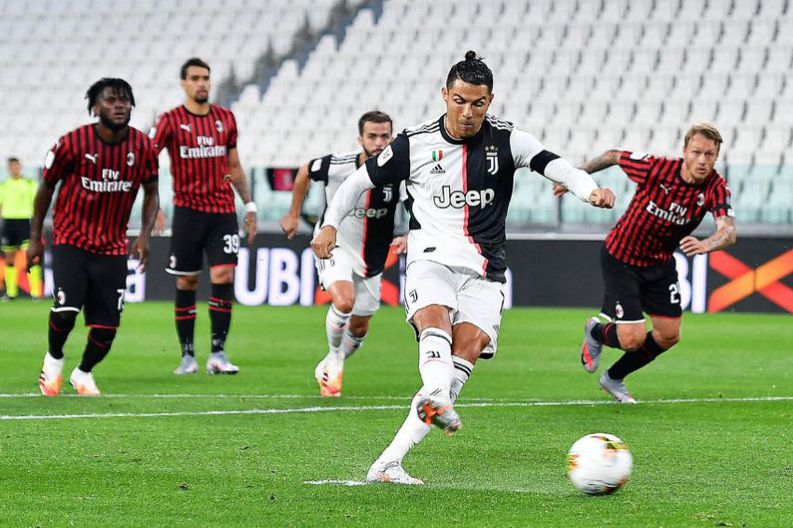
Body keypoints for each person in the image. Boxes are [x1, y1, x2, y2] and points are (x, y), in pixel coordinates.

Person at [311, 51, 615, 484]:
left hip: (486, 270)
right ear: (444, 95)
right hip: (431, 258)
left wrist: (590, 191)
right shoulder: (414, 144)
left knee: (462, 359)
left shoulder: (508, 140)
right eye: (459, 101)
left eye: (477, 103)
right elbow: (358, 182)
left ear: (490, 101)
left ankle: (389, 462)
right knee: (434, 324)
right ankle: (432, 398)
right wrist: (329, 224)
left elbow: (559, 167)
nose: (468, 112)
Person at [559, 123, 736, 404]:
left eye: (710, 155)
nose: (703, 160)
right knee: (632, 339)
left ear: (716, 157)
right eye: (697, 152)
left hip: (660, 265)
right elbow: (614, 155)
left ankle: (613, 377)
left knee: (669, 335)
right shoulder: (657, 168)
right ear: (685, 151)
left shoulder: (715, 186)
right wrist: (576, 177)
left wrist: (707, 244)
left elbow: (728, 231)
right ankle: (595, 331)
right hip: (622, 257)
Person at [28, 78, 159, 396]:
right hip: (71, 239)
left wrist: (144, 234)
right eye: (110, 100)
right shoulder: (72, 143)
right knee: (67, 310)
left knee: (107, 327)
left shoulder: (143, 147)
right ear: (95, 107)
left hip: (112, 246)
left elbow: (152, 191)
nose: (119, 105)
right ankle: (54, 360)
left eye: (124, 100)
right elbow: (46, 188)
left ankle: (83, 372)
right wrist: (35, 238)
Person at [280, 111, 404, 398]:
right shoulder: (337, 165)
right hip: (334, 246)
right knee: (344, 301)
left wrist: (411, 232)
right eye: (372, 136)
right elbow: (305, 171)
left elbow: (415, 201)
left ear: (392, 138)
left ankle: (329, 361)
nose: (379, 142)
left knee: (359, 328)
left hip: (372, 257)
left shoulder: (399, 172)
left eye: (384, 136)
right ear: (360, 139)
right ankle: (335, 358)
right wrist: (294, 213)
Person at [151, 57, 257, 376]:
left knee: (224, 275)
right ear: (183, 83)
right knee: (187, 280)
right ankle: (187, 355)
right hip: (188, 213)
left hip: (223, 212)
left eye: (206, 78)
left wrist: (249, 205)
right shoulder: (170, 120)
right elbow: (147, 162)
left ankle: (218, 354)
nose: (202, 83)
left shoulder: (226, 119)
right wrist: (154, 205)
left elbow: (234, 166)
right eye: (195, 78)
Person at [0, 157, 39, 301]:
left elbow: (37, 204)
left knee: (30, 255)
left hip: (25, 221)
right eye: (11, 167)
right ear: (9, 169)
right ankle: (11, 293)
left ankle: (35, 292)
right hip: (9, 221)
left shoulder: (30, 184)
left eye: (16, 166)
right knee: (9, 257)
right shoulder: (4, 185)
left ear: (20, 167)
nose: (14, 169)